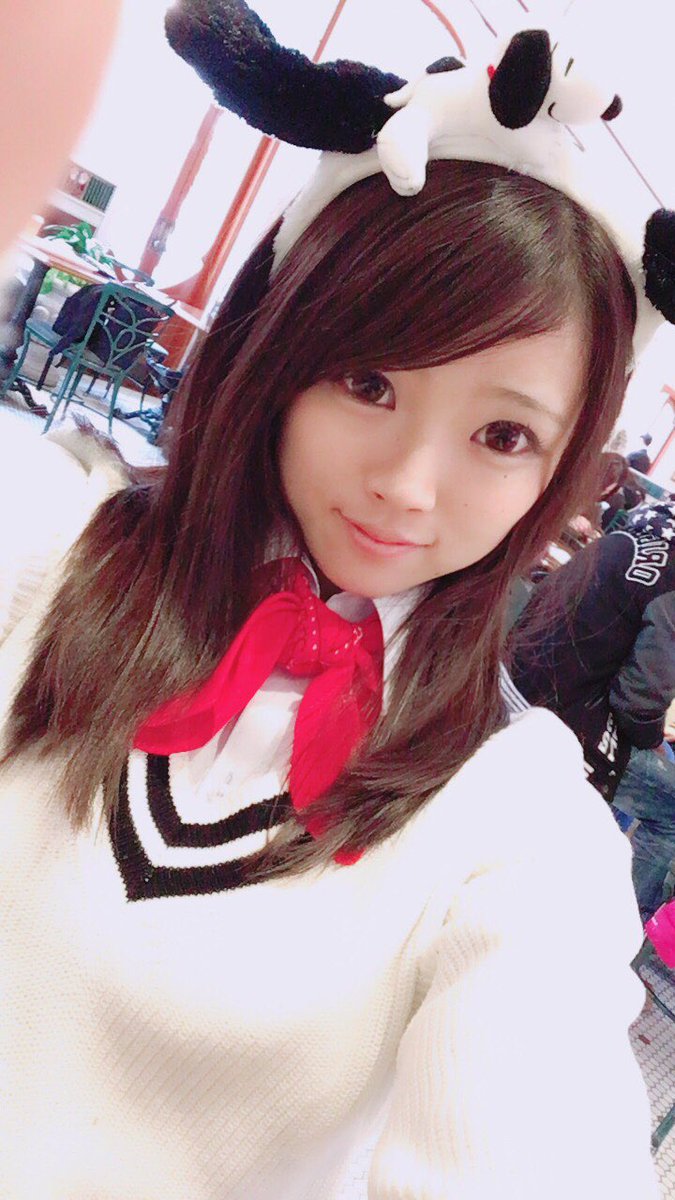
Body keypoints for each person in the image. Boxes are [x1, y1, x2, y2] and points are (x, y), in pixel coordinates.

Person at [0, 7, 666, 1198]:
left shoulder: (515, 819)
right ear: (281, 342)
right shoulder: (51, 548)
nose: (408, 486)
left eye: (503, 435)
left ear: (560, 469)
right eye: (368, 382)